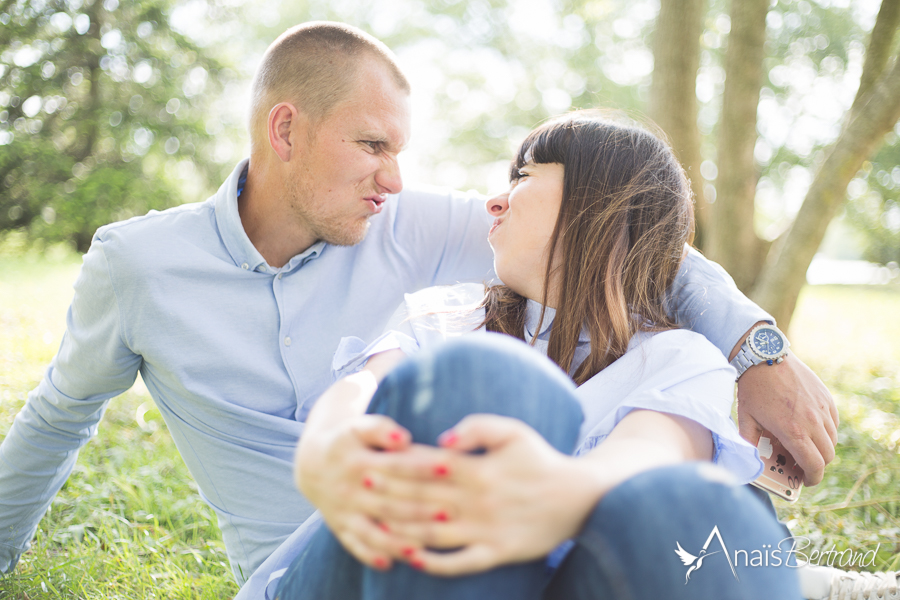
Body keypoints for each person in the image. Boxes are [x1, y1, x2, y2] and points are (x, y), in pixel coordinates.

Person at [0, 21, 844, 600]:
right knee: (488, 375)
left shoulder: (423, 232)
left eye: (400, 151)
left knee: (714, 513)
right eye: (373, 146)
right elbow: (58, 414)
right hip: (333, 556)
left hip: (525, 553)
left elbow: (634, 241)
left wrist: (753, 346)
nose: (397, 180)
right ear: (285, 130)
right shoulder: (140, 266)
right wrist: (325, 456)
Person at [277, 112, 799, 599]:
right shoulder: (450, 315)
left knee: (718, 511)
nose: (494, 202)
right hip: (369, 574)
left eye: (523, 176)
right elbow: (365, 387)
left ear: (603, 205)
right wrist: (326, 445)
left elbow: (649, 455)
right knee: (495, 376)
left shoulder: (680, 358)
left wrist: (557, 496)